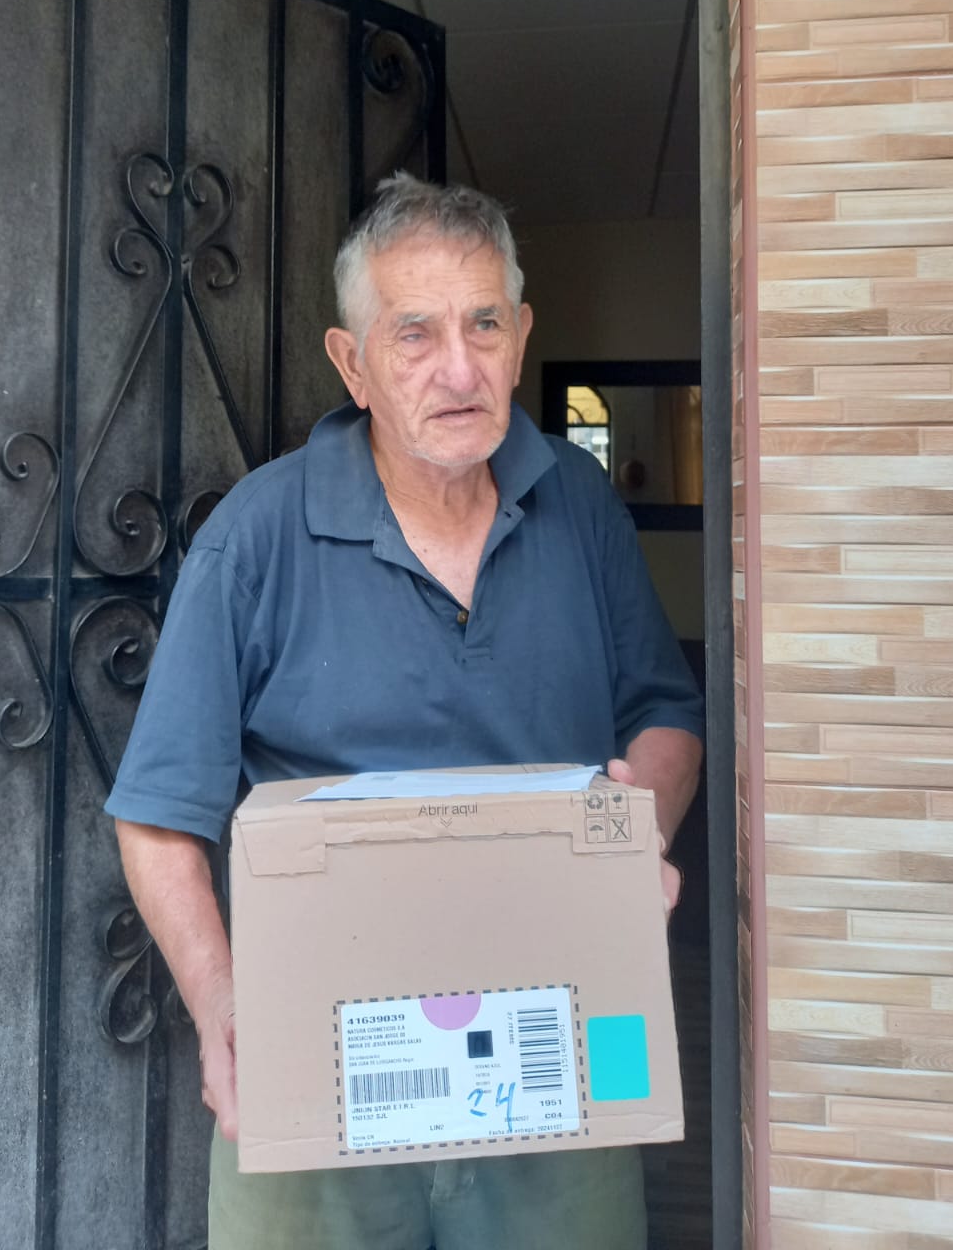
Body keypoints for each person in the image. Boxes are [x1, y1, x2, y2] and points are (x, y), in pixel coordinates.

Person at [105, 174, 704, 1250]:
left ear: (521, 337)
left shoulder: (580, 507)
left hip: (554, 1044)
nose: (459, 370)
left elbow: (665, 714)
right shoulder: (257, 536)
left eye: (485, 325)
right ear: (354, 362)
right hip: (319, 1060)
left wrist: (633, 841)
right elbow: (157, 817)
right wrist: (223, 1003)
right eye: (415, 333)